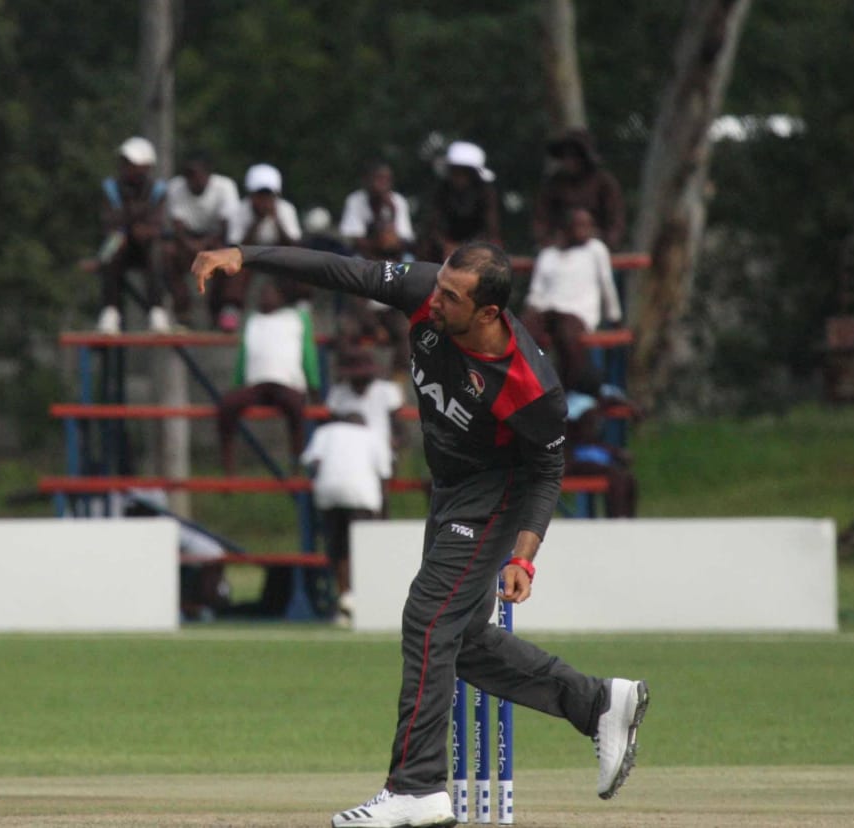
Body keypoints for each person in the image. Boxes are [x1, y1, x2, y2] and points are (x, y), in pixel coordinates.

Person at [191, 242, 650, 828]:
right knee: (455, 639)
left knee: (427, 618)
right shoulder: (427, 293)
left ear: (488, 313)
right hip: (451, 488)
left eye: (451, 297)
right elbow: (344, 271)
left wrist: (524, 556)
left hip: (495, 494)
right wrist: (246, 255)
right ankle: (598, 702)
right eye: (439, 287)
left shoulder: (529, 385)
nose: (434, 298)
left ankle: (416, 787)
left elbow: (546, 472)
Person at [217, 281, 318, 477]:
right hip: (257, 385)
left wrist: (313, 386)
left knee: (296, 409)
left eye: (270, 293)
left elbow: (308, 355)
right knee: (227, 405)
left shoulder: (297, 318)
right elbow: (243, 357)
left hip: (287, 383)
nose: (264, 297)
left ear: (281, 297)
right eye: (262, 293)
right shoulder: (253, 321)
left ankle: (296, 462)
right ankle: (228, 466)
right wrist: (236, 386)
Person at [302, 411, 392, 626]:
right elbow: (385, 473)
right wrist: (383, 513)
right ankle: (360, 602)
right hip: (362, 494)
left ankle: (344, 599)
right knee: (362, 551)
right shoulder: (372, 434)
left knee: (337, 549)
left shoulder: (325, 432)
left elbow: (311, 462)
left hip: (328, 493)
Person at [523, 207, 621, 397]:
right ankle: (523, 386)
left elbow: (606, 283)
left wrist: (614, 317)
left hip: (577, 312)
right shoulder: (548, 255)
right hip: (546, 309)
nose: (586, 230)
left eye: (588, 226)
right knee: (520, 332)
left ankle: (568, 391)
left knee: (567, 338)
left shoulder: (595, 250)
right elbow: (536, 292)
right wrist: (532, 312)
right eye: (580, 226)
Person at [93, 136, 172, 334]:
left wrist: (142, 230)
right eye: (125, 162)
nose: (127, 167)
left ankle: (157, 311)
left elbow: (157, 224)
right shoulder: (111, 188)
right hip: (121, 243)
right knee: (112, 246)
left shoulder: (158, 190)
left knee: (157, 249)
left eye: (133, 163)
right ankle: (110, 311)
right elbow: (109, 222)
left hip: (146, 247)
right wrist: (127, 230)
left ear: (146, 166)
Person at [220, 164, 303, 329]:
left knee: (300, 265)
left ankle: (300, 307)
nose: (264, 200)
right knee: (234, 267)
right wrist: (257, 221)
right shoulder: (240, 210)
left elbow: (294, 244)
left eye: (268, 195)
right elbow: (235, 246)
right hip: (249, 258)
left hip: (279, 256)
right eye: (260, 195)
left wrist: (276, 220)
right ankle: (231, 310)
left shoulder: (285, 210)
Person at [163, 151, 238, 326]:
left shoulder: (225, 187)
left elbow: (225, 226)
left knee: (227, 258)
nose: (191, 180)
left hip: (216, 239)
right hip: (187, 240)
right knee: (168, 253)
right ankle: (182, 308)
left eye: (195, 174)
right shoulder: (176, 187)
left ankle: (218, 310)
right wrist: (192, 245)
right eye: (187, 175)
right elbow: (178, 225)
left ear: (208, 173)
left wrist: (204, 246)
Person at [533, 129, 626, 250]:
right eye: (565, 156)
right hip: (560, 248)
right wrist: (548, 241)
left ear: (585, 157)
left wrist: (604, 241)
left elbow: (615, 223)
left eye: (574, 156)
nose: (569, 161)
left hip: (596, 245)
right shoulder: (553, 184)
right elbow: (541, 220)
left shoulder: (604, 183)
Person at [324, 349, 404, 480]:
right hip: (347, 456)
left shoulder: (387, 391)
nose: (360, 384)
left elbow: (399, 427)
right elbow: (332, 428)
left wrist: (395, 443)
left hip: (381, 454)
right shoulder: (338, 394)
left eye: (363, 379)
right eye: (356, 380)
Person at [421, 141, 501, 262]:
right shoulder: (441, 191)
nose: (459, 177)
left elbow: (490, 229)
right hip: (442, 252)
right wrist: (446, 245)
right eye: (455, 171)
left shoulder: (486, 194)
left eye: (464, 172)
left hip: (476, 250)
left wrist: (465, 248)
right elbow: (432, 227)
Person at [339, 161, 416, 262]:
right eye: (379, 179)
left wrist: (393, 213)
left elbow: (405, 238)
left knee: (410, 263)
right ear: (366, 180)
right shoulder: (356, 200)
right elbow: (353, 238)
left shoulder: (398, 201)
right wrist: (378, 244)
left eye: (387, 180)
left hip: (395, 257)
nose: (383, 184)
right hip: (364, 257)